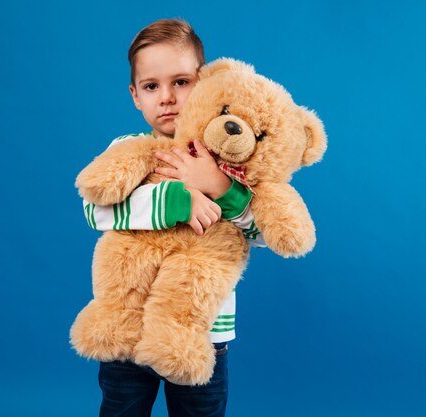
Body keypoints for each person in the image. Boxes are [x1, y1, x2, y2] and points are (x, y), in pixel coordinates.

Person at [81, 18, 264, 417]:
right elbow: (96, 209)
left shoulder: (230, 154)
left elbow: (263, 231)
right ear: (135, 96)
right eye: (152, 86)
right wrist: (177, 200)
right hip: (130, 323)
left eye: (181, 82)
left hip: (201, 332)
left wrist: (219, 187)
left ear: (204, 83)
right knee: (121, 409)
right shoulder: (128, 148)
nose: (167, 97)